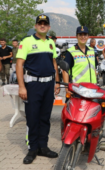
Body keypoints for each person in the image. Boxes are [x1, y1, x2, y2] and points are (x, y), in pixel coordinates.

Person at [16, 14, 60, 164]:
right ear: (35, 26)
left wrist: (57, 82)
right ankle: (32, 149)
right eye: (39, 23)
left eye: (45, 24)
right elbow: (19, 64)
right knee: (33, 117)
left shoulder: (50, 43)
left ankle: (43, 147)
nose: (42, 26)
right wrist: (22, 86)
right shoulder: (27, 41)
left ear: (48, 27)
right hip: (33, 85)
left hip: (48, 85)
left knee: (45, 117)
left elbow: (54, 63)